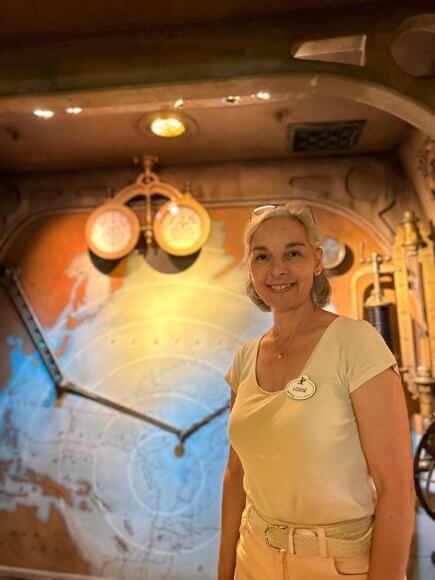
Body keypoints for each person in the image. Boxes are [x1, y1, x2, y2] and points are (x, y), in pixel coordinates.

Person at [217, 204, 415, 580]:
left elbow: (397, 487)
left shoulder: (355, 343)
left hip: (335, 564)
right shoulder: (245, 358)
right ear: (251, 269)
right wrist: (225, 571)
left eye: (293, 253)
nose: (278, 269)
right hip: (253, 557)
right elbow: (235, 473)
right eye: (263, 256)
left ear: (317, 261)